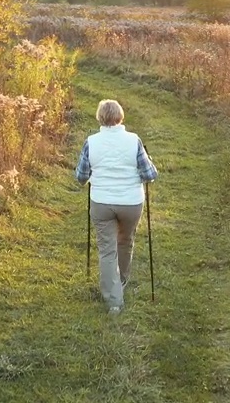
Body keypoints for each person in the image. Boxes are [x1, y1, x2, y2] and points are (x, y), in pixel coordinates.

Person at [75, 98, 157, 314]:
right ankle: (120, 283)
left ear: (100, 118)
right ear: (120, 116)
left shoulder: (91, 142)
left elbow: (81, 177)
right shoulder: (134, 140)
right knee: (125, 241)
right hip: (131, 203)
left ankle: (114, 300)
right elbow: (149, 175)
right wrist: (150, 161)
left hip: (102, 202)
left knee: (106, 249)